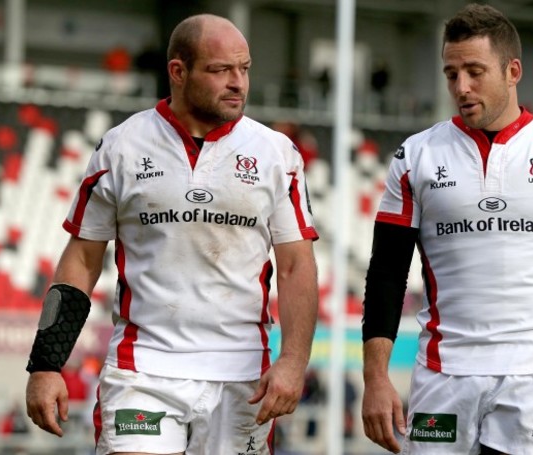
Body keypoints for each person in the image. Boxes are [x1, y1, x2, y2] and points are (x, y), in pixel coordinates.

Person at [25, 13, 319, 455]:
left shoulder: (277, 154)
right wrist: (47, 364)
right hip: (142, 371)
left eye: (245, 68)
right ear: (178, 72)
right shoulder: (121, 146)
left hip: (243, 377)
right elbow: (82, 259)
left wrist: (294, 363)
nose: (238, 82)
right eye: (221, 70)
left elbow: (296, 264)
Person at [361, 4, 533, 455]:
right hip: (442, 378)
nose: (461, 87)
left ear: (513, 71)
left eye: (474, 71)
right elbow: (387, 273)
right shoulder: (415, 157)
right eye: (452, 74)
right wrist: (375, 378)